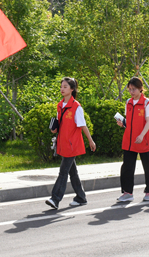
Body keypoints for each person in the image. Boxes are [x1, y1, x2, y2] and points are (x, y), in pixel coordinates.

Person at [45, 77, 96, 209]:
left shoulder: (76, 106)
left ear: (72, 89)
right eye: (61, 86)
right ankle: (81, 197)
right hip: (63, 143)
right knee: (72, 173)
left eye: (65, 87)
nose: (62, 89)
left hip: (72, 144)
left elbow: (83, 125)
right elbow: (60, 124)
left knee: (63, 172)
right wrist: (54, 129)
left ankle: (55, 199)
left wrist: (91, 141)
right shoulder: (60, 105)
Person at [116, 77, 149, 202]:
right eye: (129, 89)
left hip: (144, 140)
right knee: (127, 167)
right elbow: (129, 121)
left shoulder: (147, 103)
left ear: (140, 89)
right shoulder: (128, 102)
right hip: (130, 141)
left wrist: (141, 135)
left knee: (148, 167)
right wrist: (123, 124)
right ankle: (127, 192)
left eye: (134, 89)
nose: (131, 92)